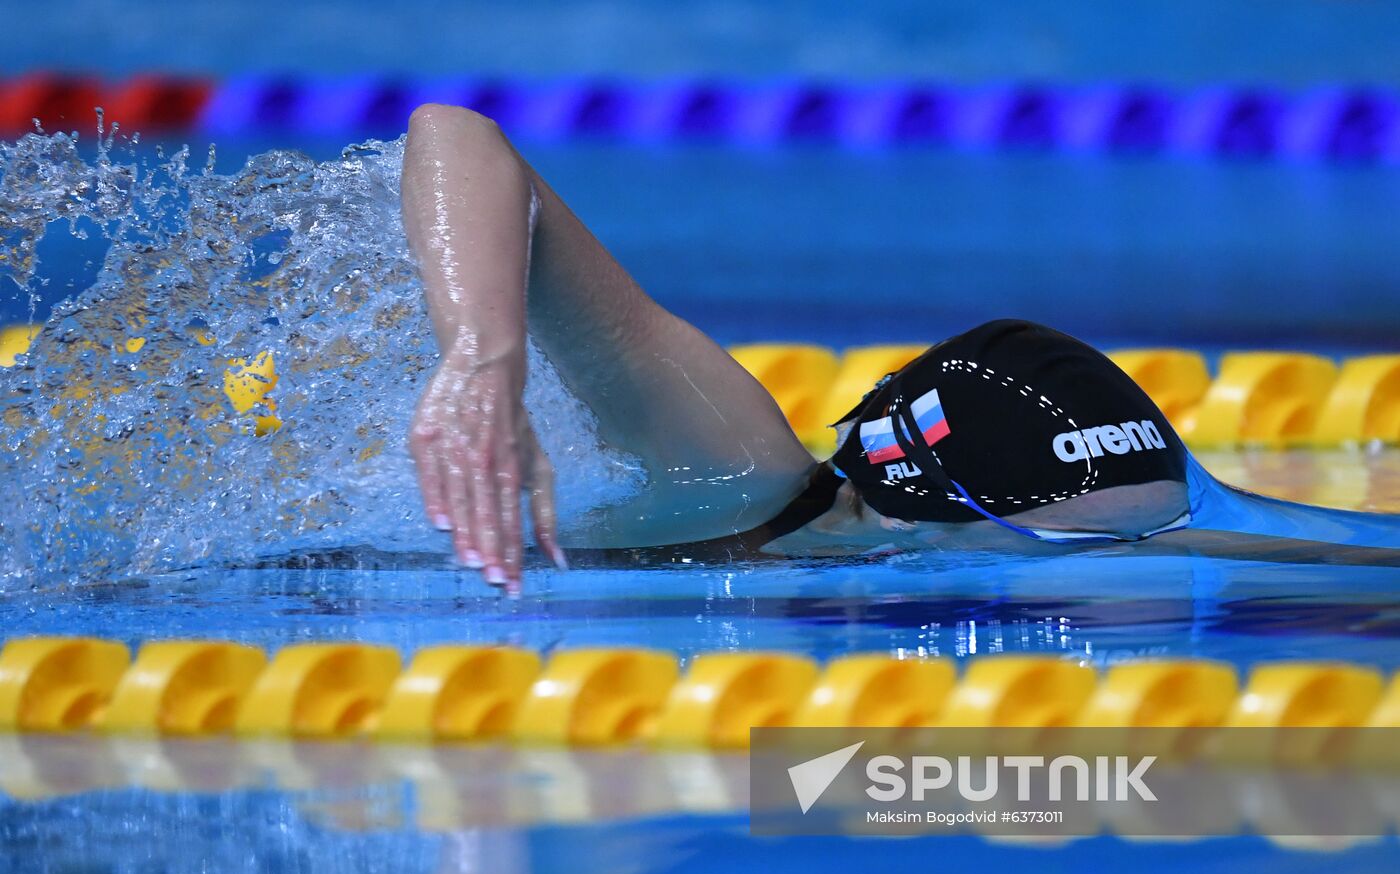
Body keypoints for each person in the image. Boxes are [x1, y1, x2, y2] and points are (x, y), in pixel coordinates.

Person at [400, 103, 1396, 596]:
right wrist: (483, 364)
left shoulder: (1075, 525)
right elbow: (453, 136)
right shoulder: (730, 468)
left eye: (1143, 531)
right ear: (915, 515)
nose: (1139, 564)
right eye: (1086, 541)